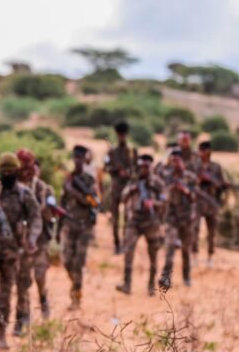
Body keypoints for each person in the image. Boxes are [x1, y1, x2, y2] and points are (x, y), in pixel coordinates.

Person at [0, 153, 42, 347]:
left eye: (10, 171)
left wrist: (32, 238)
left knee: (5, 293)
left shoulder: (23, 193)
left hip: (12, 250)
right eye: (4, 171)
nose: (7, 175)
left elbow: (36, 217)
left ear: (17, 171)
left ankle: (1, 332)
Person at [15, 149, 54, 327]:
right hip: (21, 240)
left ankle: (43, 299)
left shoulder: (42, 188)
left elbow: (43, 212)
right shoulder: (14, 186)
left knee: (39, 275)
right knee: (22, 279)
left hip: (40, 239)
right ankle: (23, 316)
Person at [116, 155, 166, 296]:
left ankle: (151, 286)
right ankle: (127, 284)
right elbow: (123, 197)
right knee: (128, 250)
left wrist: (153, 203)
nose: (144, 169)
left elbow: (164, 201)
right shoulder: (134, 181)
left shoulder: (157, 183)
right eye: (142, 166)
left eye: (146, 166)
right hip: (135, 219)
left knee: (153, 254)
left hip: (151, 220)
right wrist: (132, 190)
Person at [59, 145, 99, 310]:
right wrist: (59, 226)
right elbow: (62, 203)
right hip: (69, 225)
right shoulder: (68, 179)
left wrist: (74, 192)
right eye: (75, 158)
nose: (77, 161)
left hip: (84, 227)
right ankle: (76, 285)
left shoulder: (89, 180)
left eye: (80, 158)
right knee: (67, 261)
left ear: (84, 160)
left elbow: (93, 202)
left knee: (78, 263)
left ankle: (75, 297)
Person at [159, 149, 198, 290]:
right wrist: (171, 187)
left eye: (177, 160)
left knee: (186, 250)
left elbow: (195, 196)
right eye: (173, 160)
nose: (175, 163)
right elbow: (162, 194)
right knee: (170, 248)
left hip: (186, 218)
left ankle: (186, 277)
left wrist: (185, 190)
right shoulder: (167, 176)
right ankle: (165, 279)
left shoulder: (190, 177)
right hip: (172, 218)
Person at [103, 120, 136, 254]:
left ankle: (126, 242)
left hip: (129, 186)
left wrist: (128, 173)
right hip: (116, 186)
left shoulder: (132, 151)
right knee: (115, 217)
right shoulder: (112, 152)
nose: (122, 137)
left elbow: (138, 169)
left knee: (128, 216)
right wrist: (115, 169)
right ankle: (117, 244)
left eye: (123, 135)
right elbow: (106, 168)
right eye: (120, 135)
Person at [194, 141, 228, 266]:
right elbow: (189, 182)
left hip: (212, 203)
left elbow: (221, 184)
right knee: (195, 230)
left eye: (203, 151)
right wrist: (199, 179)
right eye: (200, 151)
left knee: (211, 232)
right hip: (197, 203)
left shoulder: (216, 167)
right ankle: (194, 256)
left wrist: (216, 183)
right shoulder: (195, 166)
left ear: (208, 151)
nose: (201, 153)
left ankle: (210, 257)